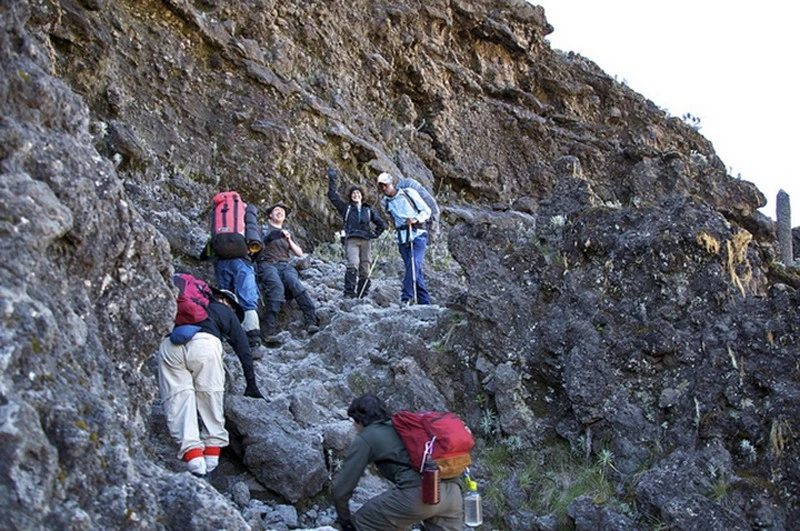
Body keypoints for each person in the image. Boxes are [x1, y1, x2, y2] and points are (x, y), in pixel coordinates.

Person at [158, 283, 265, 477]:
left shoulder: (189, 303)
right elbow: (243, 350)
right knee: (210, 395)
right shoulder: (225, 310)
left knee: (178, 397)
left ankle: (193, 458)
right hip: (205, 345)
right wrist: (251, 385)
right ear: (225, 301)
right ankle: (210, 461)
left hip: (170, 345)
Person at [332, 395, 463, 531]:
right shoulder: (404, 427)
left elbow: (341, 490)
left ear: (359, 420)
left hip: (421, 496)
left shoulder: (367, 436)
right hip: (453, 494)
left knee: (362, 523)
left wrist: (345, 521)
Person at [255, 201, 319, 336]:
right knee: (276, 287)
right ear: (270, 215)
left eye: (282, 212)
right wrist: (268, 239)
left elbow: (299, 253)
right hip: (267, 264)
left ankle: (311, 320)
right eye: (277, 210)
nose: (280, 212)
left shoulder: (287, 233)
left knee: (295, 284)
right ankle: (269, 330)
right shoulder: (262, 230)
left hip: (285, 264)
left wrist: (289, 239)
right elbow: (256, 248)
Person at [327, 167, 386, 298]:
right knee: (353, 263)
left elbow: (381, 224)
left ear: (362, 195)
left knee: (365, 267)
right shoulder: (346, 208)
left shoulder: (368, 210)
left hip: (366, 241)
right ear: (350, 196)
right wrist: (332, 179)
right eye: (354, 194)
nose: (356, 195)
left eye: (358, 194)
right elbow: (332, 196)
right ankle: (349, 293)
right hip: (352, 239)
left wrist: (375, 234)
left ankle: (362, 294)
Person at [377, 172, 432, 305]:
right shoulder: (385, 202)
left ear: (391, 183)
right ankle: (425, 302)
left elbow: (427, 211)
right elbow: (393, 218)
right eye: (381, 186)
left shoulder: (408, 193)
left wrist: (415, 219)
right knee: (413, 269)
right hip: (402, 238)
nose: (384, 188)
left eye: (385, 185)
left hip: (417, 234)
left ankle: (406, 297)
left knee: (413, 265)